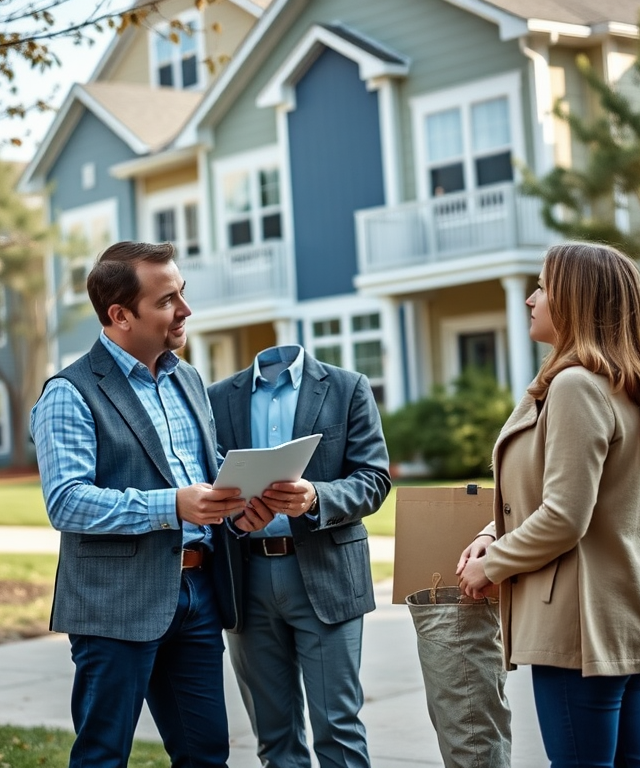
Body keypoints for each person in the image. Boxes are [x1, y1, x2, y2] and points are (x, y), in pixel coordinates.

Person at [456, 242, 640, 768]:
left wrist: (490, 568)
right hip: (625, 611)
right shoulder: (626, 384)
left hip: (578, 622)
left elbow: (564, 516)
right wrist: (492, 531)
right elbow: (572, 498)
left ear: (577, 299)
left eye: (543, 286)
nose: (529, 299)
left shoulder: (576, 386)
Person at [30, 241, 266, 768]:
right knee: (103, 756)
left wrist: (245, 497)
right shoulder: (69, 392)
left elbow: (204, 465)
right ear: (120, 315)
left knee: (206, 755)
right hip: (114, 605)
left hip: (198, 594)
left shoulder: (186, 377)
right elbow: (67, 503)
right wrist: (173, 506)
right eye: (166, 300)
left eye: (183, 293)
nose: (184, 310)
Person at [208, 344, 392, 768]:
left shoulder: (348, 387)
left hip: (328, 577)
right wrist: (235, 519)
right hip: (246, 581)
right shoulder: (217, 398)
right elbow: (208, 482)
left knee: (338, 729)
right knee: (274, 739)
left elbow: (374, 478)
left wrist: (316, 497)